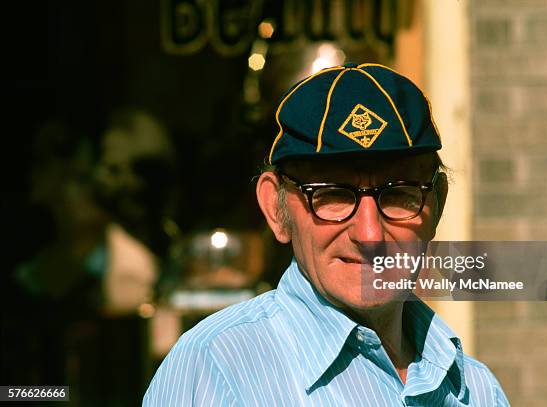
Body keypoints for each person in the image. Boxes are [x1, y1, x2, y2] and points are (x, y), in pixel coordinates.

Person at [143, 63, 510, 406]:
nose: (369, 235)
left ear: (438, 205)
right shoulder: (216, 370)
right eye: (332, 195)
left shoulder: (476, 389)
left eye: (400, 194)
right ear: (276, 209)